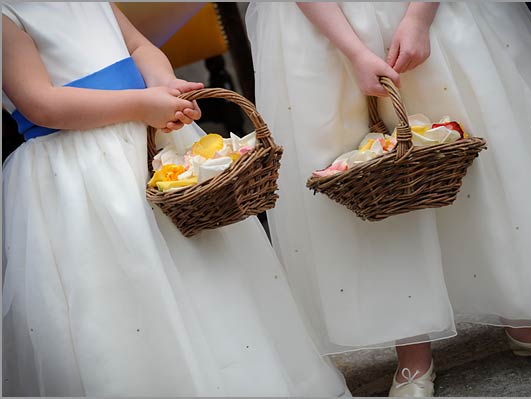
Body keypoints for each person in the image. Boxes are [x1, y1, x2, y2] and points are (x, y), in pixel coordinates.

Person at [246, 2, 531, 397]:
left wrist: (418, 18)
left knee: (477, 149)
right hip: (323, 25)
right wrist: (356, 50)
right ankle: (411, 348)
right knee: (374, 184)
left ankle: (523, 312)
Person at [2, 2, 349, 396]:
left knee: (208, 272)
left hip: (150, 139)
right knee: (129, 287)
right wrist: (140, 104)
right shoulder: (9, 14)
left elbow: (139, 47)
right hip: (83, 171)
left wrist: (163, 83)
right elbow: (40, 103)